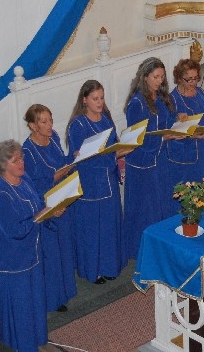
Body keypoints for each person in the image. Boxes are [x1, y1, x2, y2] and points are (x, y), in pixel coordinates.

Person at [0, 139, 63, 352]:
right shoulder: (2, 195)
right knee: (20, 308)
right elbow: (15, 230)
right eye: (15, 160)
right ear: (3, 166)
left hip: (31, 255)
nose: (22, 162)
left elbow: (38, 204)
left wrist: (52, 211)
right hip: (13, 263)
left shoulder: (24, 179)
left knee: (34, 302)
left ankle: (36, 340)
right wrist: (41, 216)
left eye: (21, 157)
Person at [66, 80, 124, 284]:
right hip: (90, 184)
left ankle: (109, 266)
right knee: (91, 230)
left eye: (102, 98)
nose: (99, 102)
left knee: (108, 226)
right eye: (95, 99)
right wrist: (111, 156)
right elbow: (80, 158)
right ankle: (93, 270)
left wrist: (124, 148)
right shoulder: (78, 125)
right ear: (85, 100)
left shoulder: (106, 119)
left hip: (108, 180)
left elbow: (114, 145)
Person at [22, 104, 76, 313]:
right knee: (50, 254)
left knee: (64, 248)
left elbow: (62, 163)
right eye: (44, 122)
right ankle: (52, 299)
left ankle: (66, 291)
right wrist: (49, 207)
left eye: (50, 120)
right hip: (45, 205)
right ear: (32, 125)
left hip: (62, 198)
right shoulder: (28, 151)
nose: (49, 125)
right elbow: (33, 184)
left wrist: (74, 158)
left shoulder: (53, 138)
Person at [123, 57, 176, 262]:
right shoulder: (136, 104)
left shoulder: (160, 97)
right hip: (143, 163)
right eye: (155, 77)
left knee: (162, 203)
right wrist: (164, 138)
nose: (159, 81)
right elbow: (137, 139)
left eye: (162, 77)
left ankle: (160, 246)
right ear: (145, 77)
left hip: (160, 159)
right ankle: (143, 251)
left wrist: (177, 121)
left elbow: (166, 122)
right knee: (146, 208)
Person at [167, 58, 204, 209]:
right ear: (179, 78)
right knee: (188, 196)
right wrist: (190, 135)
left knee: (202, 192)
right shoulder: (172, 100)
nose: (193, 82)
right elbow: (168, 132)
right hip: (186, 156)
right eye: (189, 79)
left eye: (196, 78)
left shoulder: (200, 92)